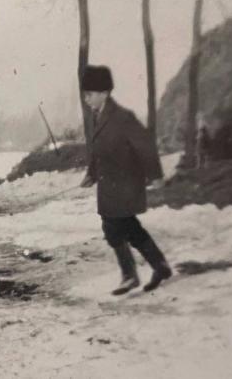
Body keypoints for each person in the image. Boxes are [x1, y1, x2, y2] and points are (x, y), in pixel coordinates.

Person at [79, 65, 173, 295]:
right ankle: (158, 266)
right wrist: (90, 173)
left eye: (89, 94)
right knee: (124, 226)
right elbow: (96, 150)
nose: (86, 99)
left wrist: (156, 175)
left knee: (116, 226)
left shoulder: (123, 117)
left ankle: (131, 274)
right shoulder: (96, 117)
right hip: (108, 183)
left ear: (104, 93)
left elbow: (146, 147)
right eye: (85, 94)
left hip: (125, 181)